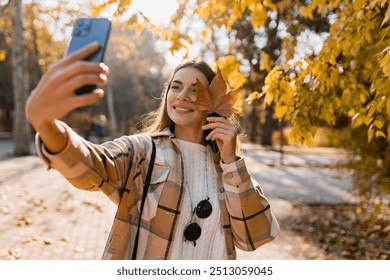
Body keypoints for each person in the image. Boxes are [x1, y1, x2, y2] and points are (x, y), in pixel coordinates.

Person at [26, 42, 279, 260]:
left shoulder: (227, 168)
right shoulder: (142, 151)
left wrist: (231, 162)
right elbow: (92, 166)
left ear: (213, 104)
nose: (183, 96)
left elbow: (254, 237)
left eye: (196, 89)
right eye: (176, 87)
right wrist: (46, 125)